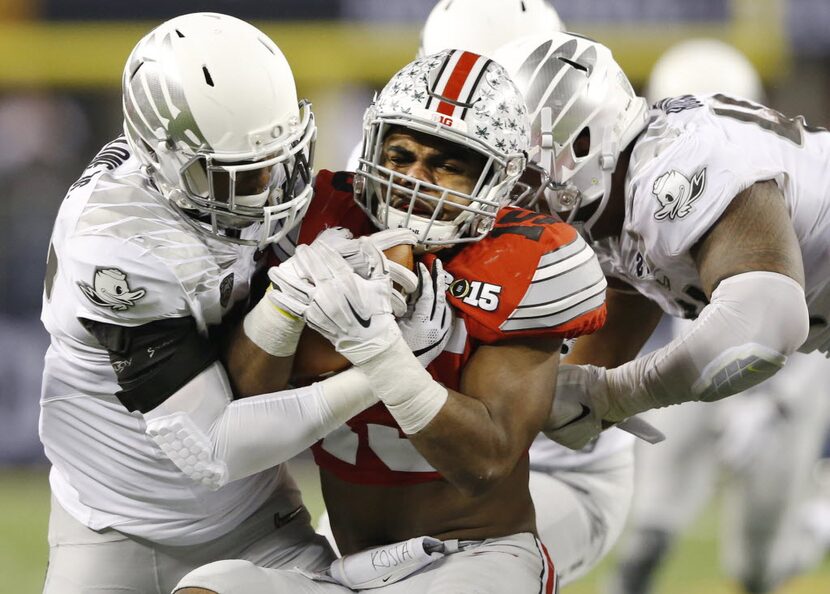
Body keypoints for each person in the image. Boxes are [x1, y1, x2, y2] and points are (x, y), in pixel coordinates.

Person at [173, 48, 607, 593]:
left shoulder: (527, 259)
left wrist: (383, 355)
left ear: (497, 180)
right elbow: (241, 404)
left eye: (447, 164)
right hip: (346, 561)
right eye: (400, 155)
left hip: (474, 557)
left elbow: (485, 461)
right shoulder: (321, 220)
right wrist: (283, 303)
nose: (414, 179)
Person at [39, 13, 426, 593]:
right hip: (109, 527)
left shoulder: (209, 168)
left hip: (255, 522)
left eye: (280, 159)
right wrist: (390, 368)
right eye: (239, 176)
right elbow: (213, 448)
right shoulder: (118, 244)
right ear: (164, 166)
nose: (272, 187)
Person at [338, 1, 640, 585]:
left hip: (548, 466)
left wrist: (605, 387)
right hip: (400, 462)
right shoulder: (385, 171)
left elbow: (638, 291)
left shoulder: (583, 180)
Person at [494, 30, 830, 449]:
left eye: (511, 172)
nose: (500, 195)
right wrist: (556, 399)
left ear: (579, 144)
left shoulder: (674, 167)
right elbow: (599, 357)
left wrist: (615, 394)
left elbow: (764, 326)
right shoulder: (617, 204)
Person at [605, 39, 830, 594]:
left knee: (759, 567)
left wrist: (772, 404)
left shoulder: (753, 174)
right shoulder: (653, 175)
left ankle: (817, 528)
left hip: (792, 366)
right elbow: (689, 300)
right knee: (648, 530)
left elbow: (787, 316)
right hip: (703, 351)